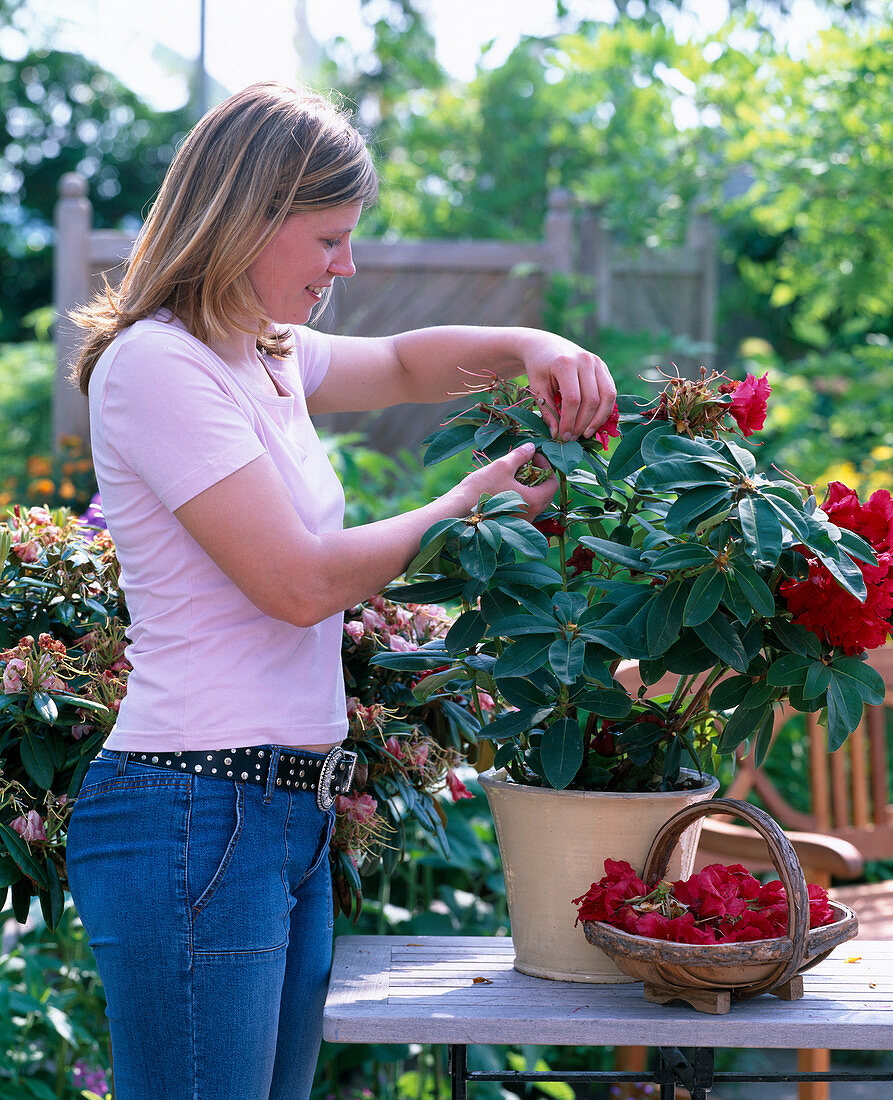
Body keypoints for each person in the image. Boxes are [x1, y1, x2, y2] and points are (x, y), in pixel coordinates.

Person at [64, 81, 616, 1100]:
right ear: (248, 217)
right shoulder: (157, 366)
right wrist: (467, 503)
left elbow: (407, 362)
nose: (345, 266)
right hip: (194, 808)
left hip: (278, 814)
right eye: (328, 238)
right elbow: (296, 581)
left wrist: (539, 348)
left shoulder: (261, 354)